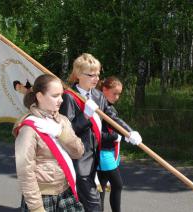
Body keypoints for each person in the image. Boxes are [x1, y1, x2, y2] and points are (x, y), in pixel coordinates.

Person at [59, 53, 142, 212]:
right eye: (91, 74)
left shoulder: (98, 95)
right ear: (78, 75)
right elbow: (67, 132)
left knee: (93, 202)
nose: (96, 78)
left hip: (98, 157)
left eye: (97, 74)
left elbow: (112, 118)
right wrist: (85, 116)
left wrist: (129, 132)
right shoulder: (69, 97)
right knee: (94, 205)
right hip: (80, 160)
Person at [14, 74, 85, 212]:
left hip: (66, 189)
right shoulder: (28, 128)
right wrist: (36, 207)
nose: (61, 100)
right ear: (39, 96)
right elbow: (25, 171)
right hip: (42, 196)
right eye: (55, 96)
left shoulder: (62, 121)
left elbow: (78, 152)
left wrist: (61, 134)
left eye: (61, 95)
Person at [97, 76, 128, 212]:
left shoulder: (108, 106)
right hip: (103, 152)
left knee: (101, 187)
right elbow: (96, 134)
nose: (117, 97)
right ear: (104, 90)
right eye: (114, 93)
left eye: (119, 94)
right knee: (117, 184)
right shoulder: (99, 108)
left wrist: (123, 134)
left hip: (110, 151)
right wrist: (115, 136)